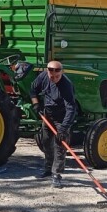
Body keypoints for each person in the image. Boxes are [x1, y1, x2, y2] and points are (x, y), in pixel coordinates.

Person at [30, 60, 76, 188]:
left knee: (60, 146)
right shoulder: (43, 77)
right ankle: (48, 169)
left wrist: (63, 129)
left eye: (57, 76)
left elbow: (71, 108)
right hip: (48, 115)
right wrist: (36, 104)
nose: (54, 79)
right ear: (47, 71)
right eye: (52, 76)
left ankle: (56, 175)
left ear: (62, 72)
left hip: (62, 117)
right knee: (45, 141)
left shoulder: (66, 85)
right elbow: (33, 89)